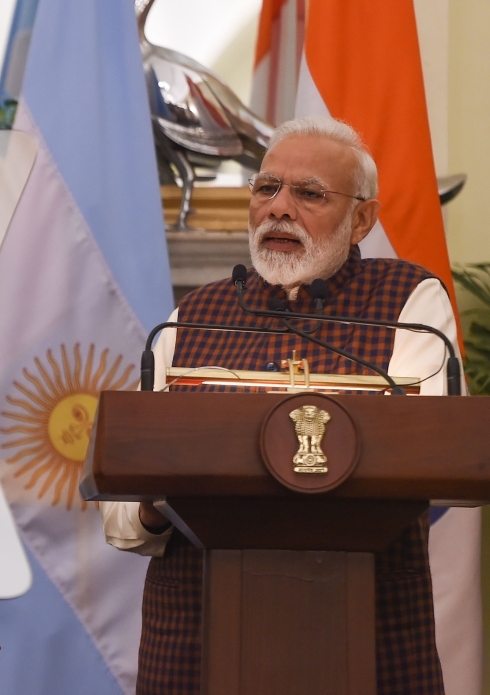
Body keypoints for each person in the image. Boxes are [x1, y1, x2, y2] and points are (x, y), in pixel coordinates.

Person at [100, 116, 456, 695]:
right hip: (197, 629)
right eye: (266, 188)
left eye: (309, 193)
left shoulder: (411, 303)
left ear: (362, 218)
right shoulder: (191, 318)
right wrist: (152, 506)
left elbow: (429, 454)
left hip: (364, 625)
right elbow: (120, 515)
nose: (279, 208)